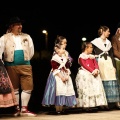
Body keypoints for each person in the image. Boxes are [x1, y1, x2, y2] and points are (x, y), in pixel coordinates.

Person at [0, 16, 36, 117]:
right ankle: (17, 109)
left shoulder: (27, 36)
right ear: (12, 26)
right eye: (18, 24)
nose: (20, 26)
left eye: (21, 24)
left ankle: (24, 109)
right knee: (14, 88)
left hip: (25, 65)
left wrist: (26, 59)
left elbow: (31, 51)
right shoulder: (4, 37)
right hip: (11, 65)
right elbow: (0, 50)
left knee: (28, 86)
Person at [42, 36, 77, 115]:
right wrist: (61, 76)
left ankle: (62, 108)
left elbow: (69, 63)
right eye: (64, 43)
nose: (65, 45)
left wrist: (67, 73)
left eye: (66, 43)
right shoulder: (56, 55)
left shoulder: (65, 53)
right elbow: (55, 67)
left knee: (65, 90)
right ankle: (58, 108)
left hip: (64, 73)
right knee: (58, 90)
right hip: (58, 74)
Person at [91, 26, 120, 110]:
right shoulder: (95, 42)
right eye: (108, 31)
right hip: (100, 63)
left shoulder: (108, 42)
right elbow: (91, 54)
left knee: (112, 80)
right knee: (102, 82)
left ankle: (115, 103)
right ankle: (103, 103)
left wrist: (114, 66)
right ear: (103, 31)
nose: (109, 33)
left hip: (108, 63)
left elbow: (111, 54)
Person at [75, 42, 107, 112]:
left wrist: (96, 70)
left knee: (94, 90)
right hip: (86, 73)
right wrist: (92, 71)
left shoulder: (91, 56)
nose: (92, 48)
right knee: (87, 90)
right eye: (91, 47)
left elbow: (95, 63)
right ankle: (86, 106)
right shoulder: (81, 56)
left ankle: (92, 104)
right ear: (86, 48)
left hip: (93, 73)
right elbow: (84, 65)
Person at [111, 23, 120, 108]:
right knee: (118, 81)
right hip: (118, 61)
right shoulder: (115, 38)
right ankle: (118, 101)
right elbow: (115, 51)